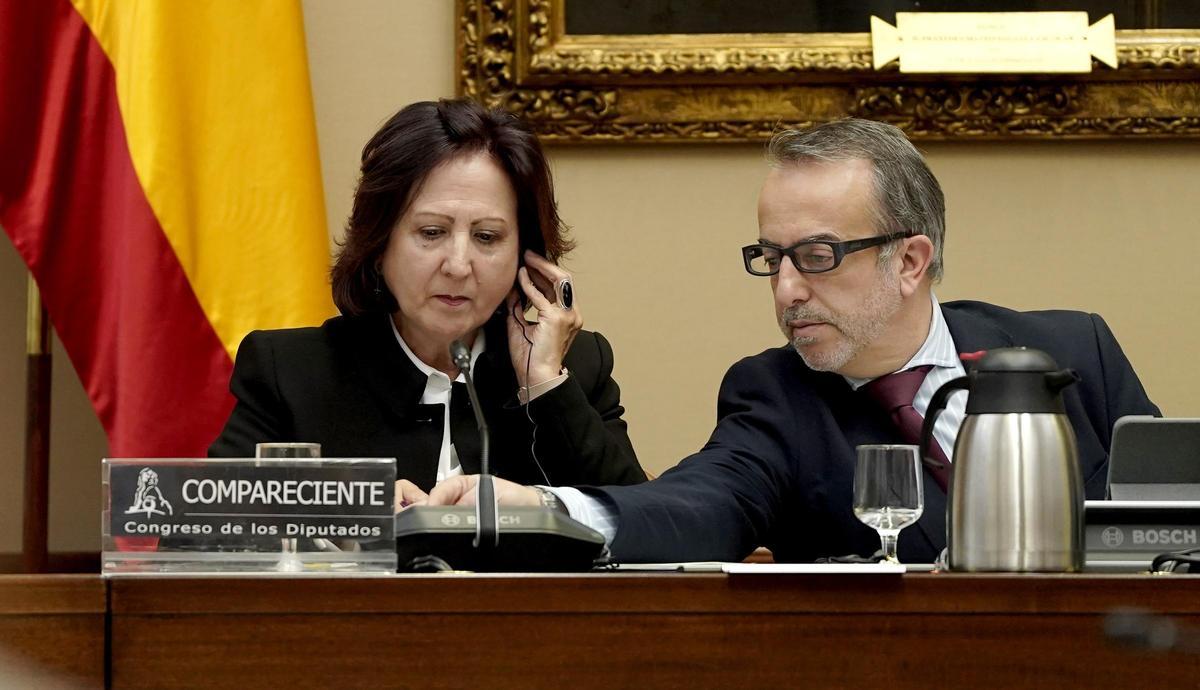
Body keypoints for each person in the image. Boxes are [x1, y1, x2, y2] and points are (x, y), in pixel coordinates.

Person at [422, 118, 1159, 564]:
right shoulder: (775, 397)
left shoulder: (1073, 350)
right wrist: (542, 510)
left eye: (816, 256)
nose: (786, 291)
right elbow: (699, 506)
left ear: (910, 261)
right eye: (771, 258)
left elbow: (1171, 516)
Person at [209, 98, 647, 496]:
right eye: (432, 232)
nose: (458, 265)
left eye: (487, 237)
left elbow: (642, 529)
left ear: (525, 257)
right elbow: (209, 532)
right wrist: (358, 519)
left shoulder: (576, 367)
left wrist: (544, 384)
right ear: (379, 244)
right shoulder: (290, 373)